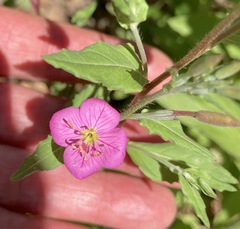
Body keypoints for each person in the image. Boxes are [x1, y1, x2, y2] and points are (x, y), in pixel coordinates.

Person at [0, 6, 176, 229]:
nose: (89, 138)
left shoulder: (98, 133)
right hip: (92, 118)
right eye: (90, 136)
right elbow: (71, 118)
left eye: (90, 136)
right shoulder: (96, 116)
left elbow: (107, 144)